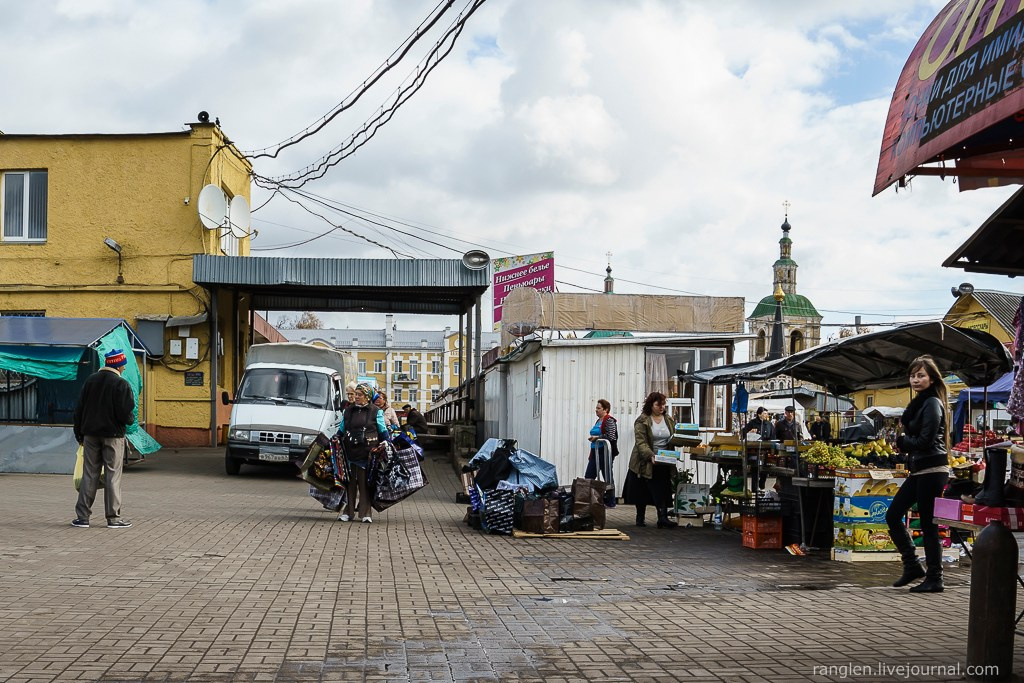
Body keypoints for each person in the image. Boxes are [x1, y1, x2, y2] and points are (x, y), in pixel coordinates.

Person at [887, 355, 951, 593]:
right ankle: (912, 565)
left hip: (932, 469)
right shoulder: (920, 403)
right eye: (913, 375)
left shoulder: (933, 403)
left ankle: (935, 577)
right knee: (893, 515)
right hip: (920, 470)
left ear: (932, 378)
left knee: (928, 524)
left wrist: (903, 441)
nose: (916, 379)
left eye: (921, 375)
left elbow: (925, 440)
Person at [71, 348, 136, 529]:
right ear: (119, 364)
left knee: (89, 474)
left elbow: (79, 411)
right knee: (112, 475)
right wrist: (129, 421)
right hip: (113, 436)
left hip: (90, 435)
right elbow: (126, 414)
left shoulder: (90, 381)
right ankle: (113, 518)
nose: (124, 368)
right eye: (123, 365)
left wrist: (79, 434)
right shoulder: (121, 384)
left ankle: (82, 517)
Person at [624, 391, 677, 528]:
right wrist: (650, 455)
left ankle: (662, 518)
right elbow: (641, 442)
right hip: (644, 460)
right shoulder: (642, 420)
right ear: (650, 405)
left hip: (664, 459)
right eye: (658, 405)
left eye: (664, 405)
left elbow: (673, 438)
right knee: (641, 489)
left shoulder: (669, 420)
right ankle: (640, 518)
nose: (662, 407)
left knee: (663, 487)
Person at [337, 383, 389, 523]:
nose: (356, 397)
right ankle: (348, 512)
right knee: (350, 483)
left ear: (367, 397)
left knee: (365, 484)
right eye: (356, 394)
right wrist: (336, 437)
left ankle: (366, 513)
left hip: (368, 452)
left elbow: (382, 429)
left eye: (359, 395)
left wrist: (385, 442)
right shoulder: (348, 411)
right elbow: (342, 428)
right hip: (350, 452)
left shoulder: (376, 411)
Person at [585, 399, 619, 507]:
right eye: (596, 408)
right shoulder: (598, 421)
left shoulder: (609, 420)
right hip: (595, 452)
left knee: (607, 476)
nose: (596, 410)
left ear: (606, 410)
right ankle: (587, 500)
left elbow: (611, 437)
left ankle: (610, 501)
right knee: (589, 476)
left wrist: (597, 438)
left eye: (599, 408)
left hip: (604, 452)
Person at [742, 407, 774, 490]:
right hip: (754, 450)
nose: (766, 415)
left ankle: (762, 484)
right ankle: (754, 488)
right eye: (764, 413)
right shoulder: (752, 423)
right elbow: (743, 433)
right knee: (755, 469)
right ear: (759, 414)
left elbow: (773, 436)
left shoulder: (769, 424)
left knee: (766, 468)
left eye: (767, 413)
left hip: (766, 449)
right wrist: (750, 433)